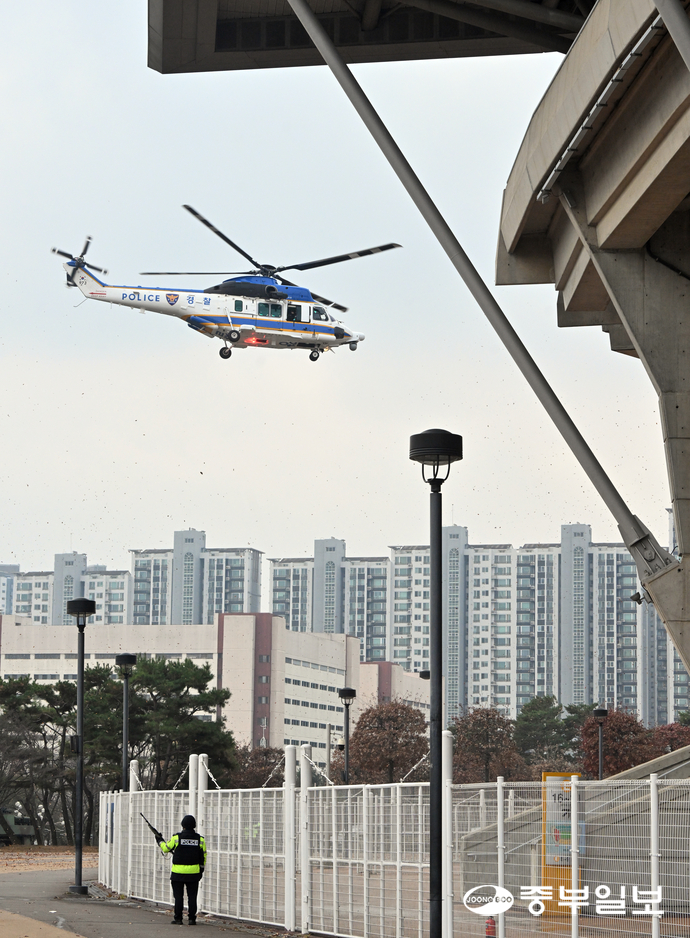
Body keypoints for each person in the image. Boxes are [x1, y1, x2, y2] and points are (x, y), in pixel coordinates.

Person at [157, 814, 207, 925]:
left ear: (182, 825)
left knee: (178, 897)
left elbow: (165, 849)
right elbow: (203, 857)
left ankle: (178, 919)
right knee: (192, 897)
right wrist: (201, 870)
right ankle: (192, 919)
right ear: (194, 825)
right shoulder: (200, 840)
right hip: (194, 873)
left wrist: (159, 840)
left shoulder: (177, 838)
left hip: (177, 873)